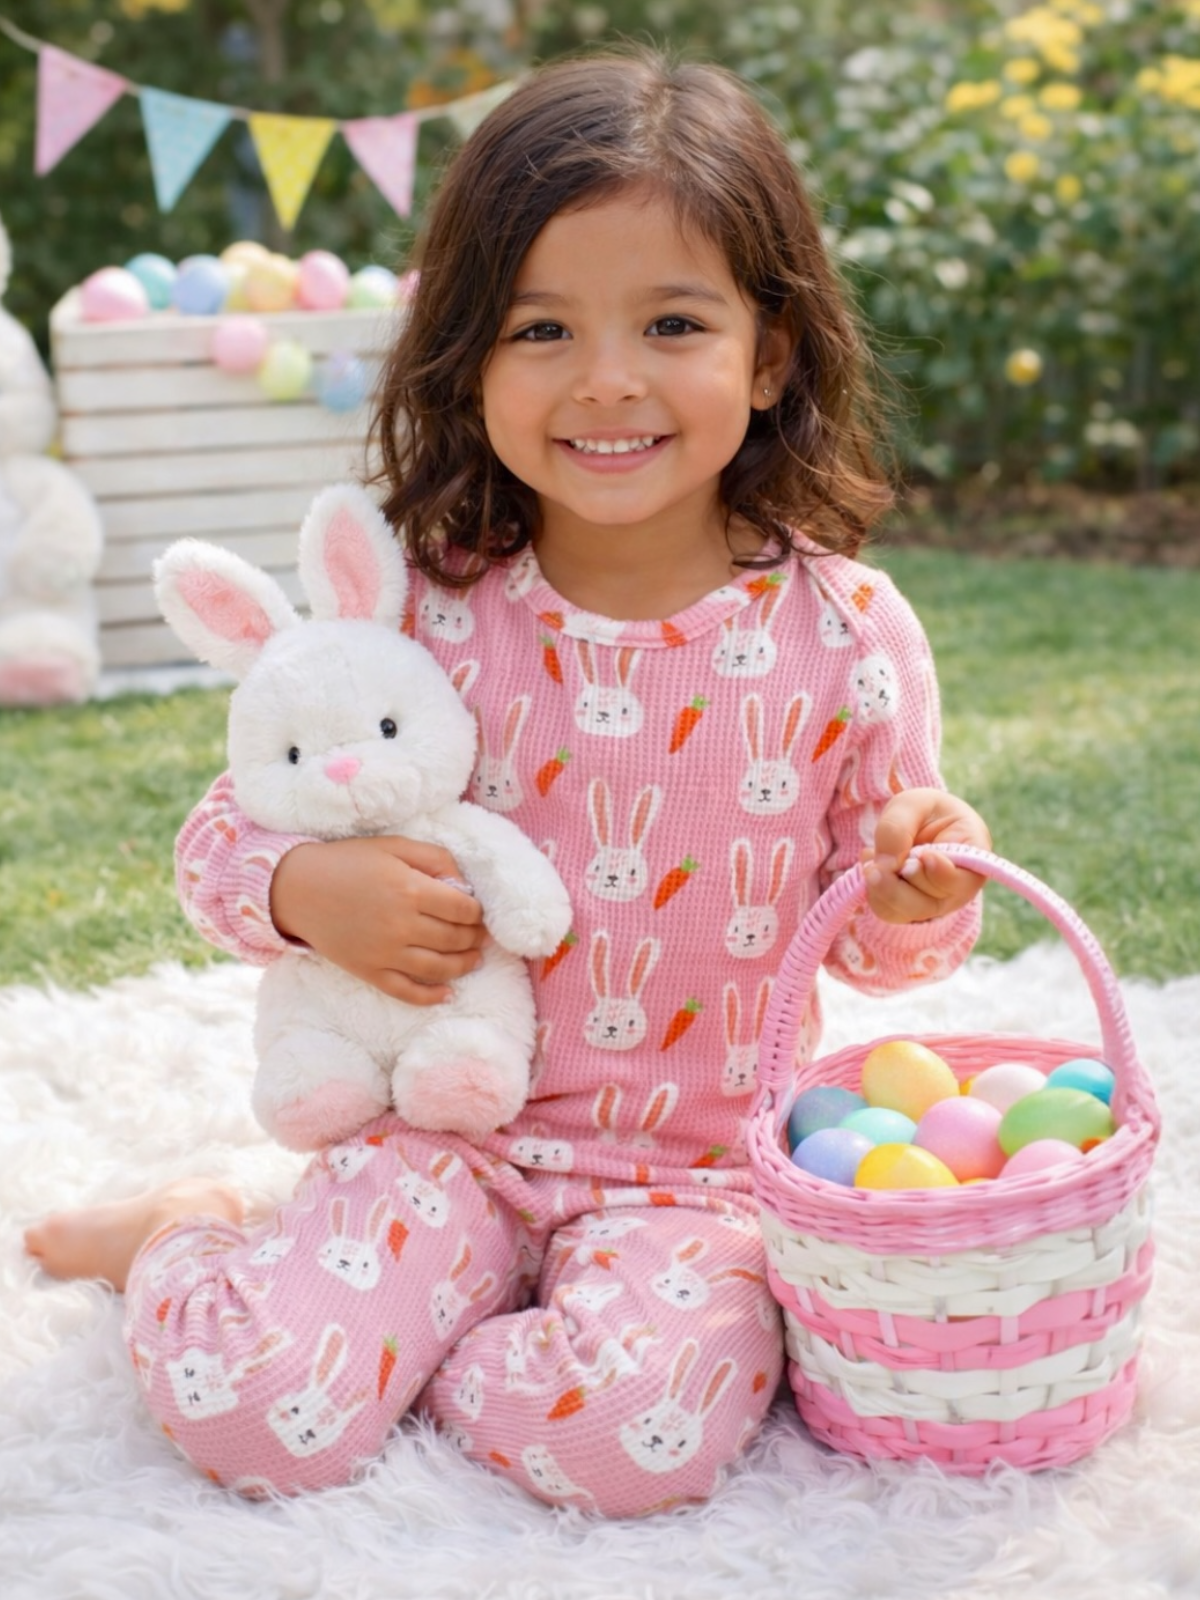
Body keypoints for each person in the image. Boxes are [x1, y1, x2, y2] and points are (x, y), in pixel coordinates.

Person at [26, 49, 991, 1515]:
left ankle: (454, 1331)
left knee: (630, 1438)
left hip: (697, 1182)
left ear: (772, 352)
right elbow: (221, 844)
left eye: (674, 322)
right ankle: (191, 1229)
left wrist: (921, 877)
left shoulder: (845, 636)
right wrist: (304, 887)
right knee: (261, 1411)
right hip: (438, 1140)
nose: (608, 378)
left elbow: (883, 941)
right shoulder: (417, 612)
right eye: (543, 328)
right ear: (469, 356)